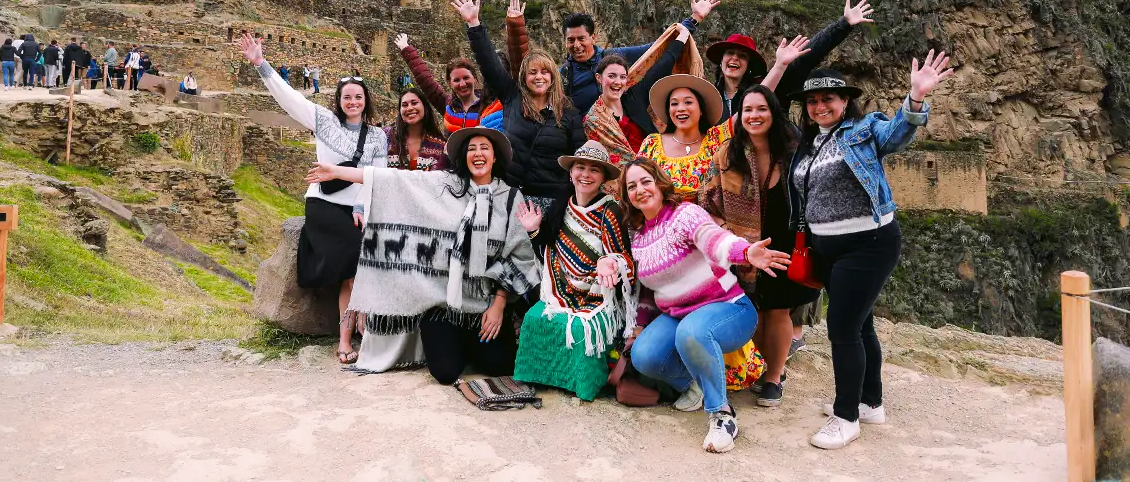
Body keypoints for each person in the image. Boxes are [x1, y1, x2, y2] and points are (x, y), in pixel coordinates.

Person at [788, 55, 952, 450]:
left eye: (829, 98)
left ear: (845, 101)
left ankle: (846, 417)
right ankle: (870, 402)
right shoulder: (807, 143)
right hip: (824, 246)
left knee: (841, 328)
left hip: (868, 243)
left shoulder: (864, 128)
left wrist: (915, 96)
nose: (820, 106)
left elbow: (898, 133)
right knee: (861, 326)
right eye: (812, 102)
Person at [307, 127, 539, 380]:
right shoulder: (444, 186)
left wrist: (499, 304)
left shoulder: (511, 198)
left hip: (487, 304)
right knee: (445, 373)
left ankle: (473, 345)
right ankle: (454, 341)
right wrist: (339, 172)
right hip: (444, 304)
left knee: (499, 367)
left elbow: (519, 255)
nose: (478, 154)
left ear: (495, 157)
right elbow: (395, 180)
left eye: (485, 148)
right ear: (463, 157)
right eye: (471, 149)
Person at [621, 157, 790, 453]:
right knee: (643, 355)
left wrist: (746, 252)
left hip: (728, 308)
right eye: (632, 186)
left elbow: (716, 241)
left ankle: (722, 415)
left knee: (692, 332)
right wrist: (638, 328)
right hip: (678, 315)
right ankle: (694, 384)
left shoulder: (686, 214)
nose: (640, 190)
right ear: (627, 196)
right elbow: (649, 292)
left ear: (660, 184)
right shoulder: (639, 237)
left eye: (646, 181)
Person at [239, 32, 388, 364]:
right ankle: (350, 335)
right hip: (324, 205)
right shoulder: (324, 121)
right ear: (339, 100)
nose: (353, 102)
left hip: (356, 207)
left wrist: (363, 206)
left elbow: (376, 175)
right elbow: (289, 99)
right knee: (353, 258)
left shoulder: (377, 137)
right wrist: (261, 64)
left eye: (358, 97)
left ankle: (355, 331)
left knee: (358, 267)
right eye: (347, 97)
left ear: (366, 100)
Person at [700, 80, 817, 408]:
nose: (754, 115)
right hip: (743, 245)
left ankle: (773, 377)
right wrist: (729, 238)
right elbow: (707, 201)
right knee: (753, 310)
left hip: (785, 239)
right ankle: (757, 367)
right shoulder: (727, 153)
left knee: (779, 309)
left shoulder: (795, 148)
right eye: (748, 109)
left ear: (773, 113)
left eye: (761, 109)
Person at [512, 141, 635, 401]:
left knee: (581, 328)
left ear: (602, 177)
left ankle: (583, 384)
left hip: (598, 294)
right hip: (560, 288)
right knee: (535, 318)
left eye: (594, 170)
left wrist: (610, 262)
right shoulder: (561, 206)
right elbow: (548, 254)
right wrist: (534, 231)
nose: (586, 175)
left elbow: (623, 257)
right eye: (580, 167)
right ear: (571, 173)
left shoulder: (610, 211)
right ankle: (538, 377)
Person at [452, 0, 584, 230]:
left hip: (552, 201)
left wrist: (568, 200)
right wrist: (474, 24)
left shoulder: (568, 113)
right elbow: (489, 63)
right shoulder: (513, 97)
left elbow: (578, 159)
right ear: (524, 77)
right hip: (510, 195)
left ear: (553, 76)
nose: (539, 77)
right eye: (532, 72)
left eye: (544, 71)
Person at [705, 0, 875, 123]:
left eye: (742, 56)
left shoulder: (773, 86)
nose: (735, 58)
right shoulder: (707, 97)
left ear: (749, 65)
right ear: (721, 60)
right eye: (730, 53)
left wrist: (843, 24)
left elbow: (808, 57)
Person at [560, 0, 720, 116]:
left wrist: (695, 18)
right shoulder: (563, 75)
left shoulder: (613, 57)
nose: (576, 45)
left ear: (593, 37)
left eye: (581, 38)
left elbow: (656, 47)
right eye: (571, 40)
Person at [582, 25, 694, 173]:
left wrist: (685, 32)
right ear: (599, 78)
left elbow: (663, 64)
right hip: (621, 183)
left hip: (656, 170)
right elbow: (601, 163)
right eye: (611, 76)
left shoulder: (635, 95)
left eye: (622, 77)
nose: (617, 82)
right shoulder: (593, 120)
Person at [636, 74, 729, 201]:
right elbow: (637, 184)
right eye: (674, 103)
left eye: (688, 102)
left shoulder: (715, 139)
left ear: (701, 109)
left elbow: (750, 109)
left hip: (709, 219)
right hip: (663, 219)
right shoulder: (652, 144)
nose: (680, 108)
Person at [384, 89, 448, 171]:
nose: (409, 108)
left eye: (414, 103)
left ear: (424, 106)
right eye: (404, 105)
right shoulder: (386, 137)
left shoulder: (439, 145)